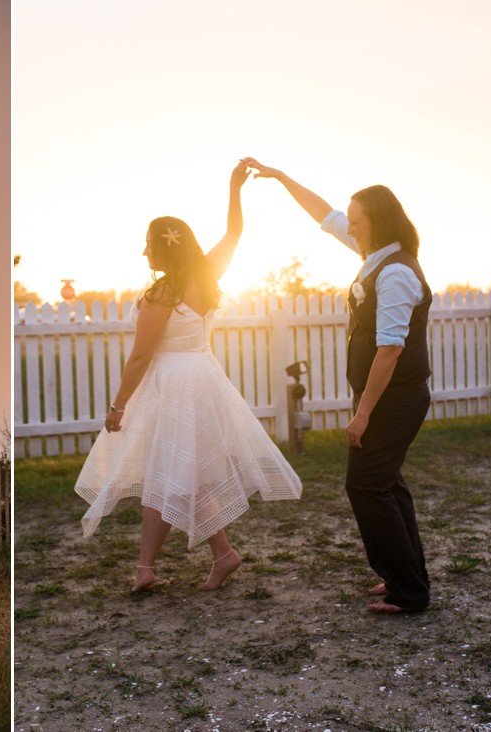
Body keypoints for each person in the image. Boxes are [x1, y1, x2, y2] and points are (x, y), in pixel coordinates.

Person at [74, 161, 302, 593]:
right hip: (203, 377)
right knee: (184, 473)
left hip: (175, 384)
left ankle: (148, 568)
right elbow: (234, 235)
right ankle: (218, 554)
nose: (144, 253)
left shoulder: (162, 294)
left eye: (147, 245)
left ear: (164, 246)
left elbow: (141, 355)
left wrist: (118, 405)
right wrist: (235, 189)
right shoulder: (205, 275)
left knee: (167, 472)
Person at [243, 157, 432, 614]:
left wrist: (363, 412)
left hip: (394, 396)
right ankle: (402, 576)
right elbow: (325, 215)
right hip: (383, 395)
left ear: (379, 224)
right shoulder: (375, 259)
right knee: (385, 484)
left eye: (359, 223)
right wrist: (282, 178)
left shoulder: (397, 273)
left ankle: (409, 591)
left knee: (366, 486)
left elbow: (390, 350)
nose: (351, 229)